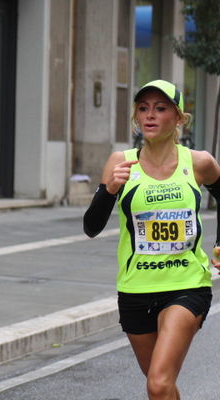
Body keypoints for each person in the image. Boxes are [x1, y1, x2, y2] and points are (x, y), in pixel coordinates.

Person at [83, 79, 220, 399]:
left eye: (160, 108)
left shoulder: (199, 162)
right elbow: (91, 227)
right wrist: (109, 191)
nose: (150, 115)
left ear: (179, 118)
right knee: (162, 385)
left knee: (157, 383)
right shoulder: (121, 163)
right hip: (135, 289)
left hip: (187, 286)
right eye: (143, 108)